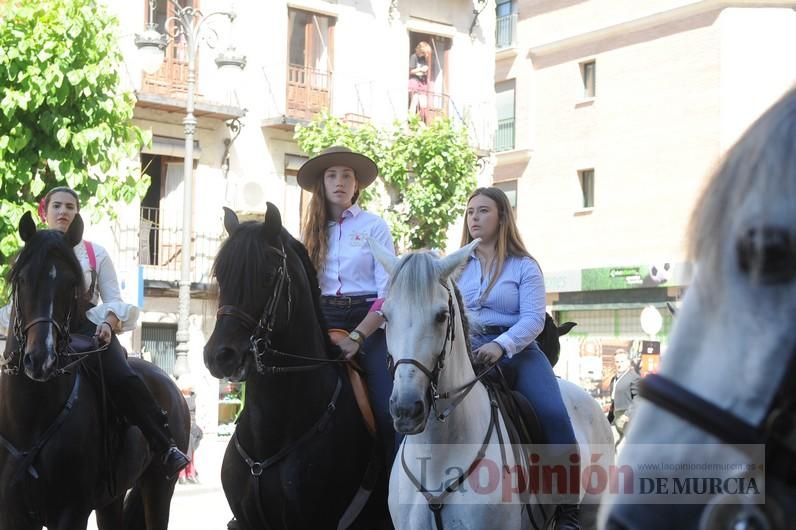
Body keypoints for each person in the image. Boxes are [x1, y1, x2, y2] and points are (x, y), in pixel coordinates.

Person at [0, 186, 189, 479]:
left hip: (87, 329)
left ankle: (163, 443)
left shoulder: (94, 253)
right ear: (45, 211)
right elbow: (17, 305)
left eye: (70, 207)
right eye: (57, 206)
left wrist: (108, 323)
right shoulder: (29, 252)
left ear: (77, 214)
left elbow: (113, 299)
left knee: (124, 374)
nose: (63, 211)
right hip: (37, 329)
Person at [456, 187, 581, 530]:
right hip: (467, 353)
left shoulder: (524, 266)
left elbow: (533, 319)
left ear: (502, 217)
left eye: (483, 211)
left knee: (555, 417)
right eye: (470, 212)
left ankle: (568, 513)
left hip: (520, 353)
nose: (475, 218)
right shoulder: (456, 267)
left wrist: (501, 345)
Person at [298, 145, 399, 467]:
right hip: (321, 318)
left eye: (347, 176)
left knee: (386, 408)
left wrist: (358, 337)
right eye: (331, 175)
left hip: (368, 320)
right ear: (322, 184)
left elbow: (388, 293)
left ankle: (395, 486)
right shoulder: (310, 232)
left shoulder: (374, 227)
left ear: (357, 186)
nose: (339, 181)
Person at [607, 349, 641, 447]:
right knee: (612, 443)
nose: (619, 364)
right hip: (615, 416)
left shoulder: (634, 377)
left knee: (629, 445)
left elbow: (638, 398)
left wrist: (627, 414)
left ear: (628, 362)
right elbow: (613, 402)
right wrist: (608, 419)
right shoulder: (614, 379)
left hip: (628, 417)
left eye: (622, 361)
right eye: (617, 361)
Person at [178, 376, 203, 484]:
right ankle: (183, 473)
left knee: (191, 449)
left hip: (192, 426)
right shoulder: (178, 397)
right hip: (182, 426)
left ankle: (190, 472)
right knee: (185, 448)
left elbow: (198, 411)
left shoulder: (193, 396)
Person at [408, 41, 432, 120]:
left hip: (422, 82)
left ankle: (422, 120)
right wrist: (421, 69)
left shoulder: (423, 59)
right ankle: (411, 120)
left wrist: (426, 70)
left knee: (423, 103)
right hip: (414, 81)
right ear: (421, 51)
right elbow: (410, 71)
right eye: (424, 53)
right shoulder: (414, 57)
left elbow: (426, 69)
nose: (425, 55)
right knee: (414, 102)